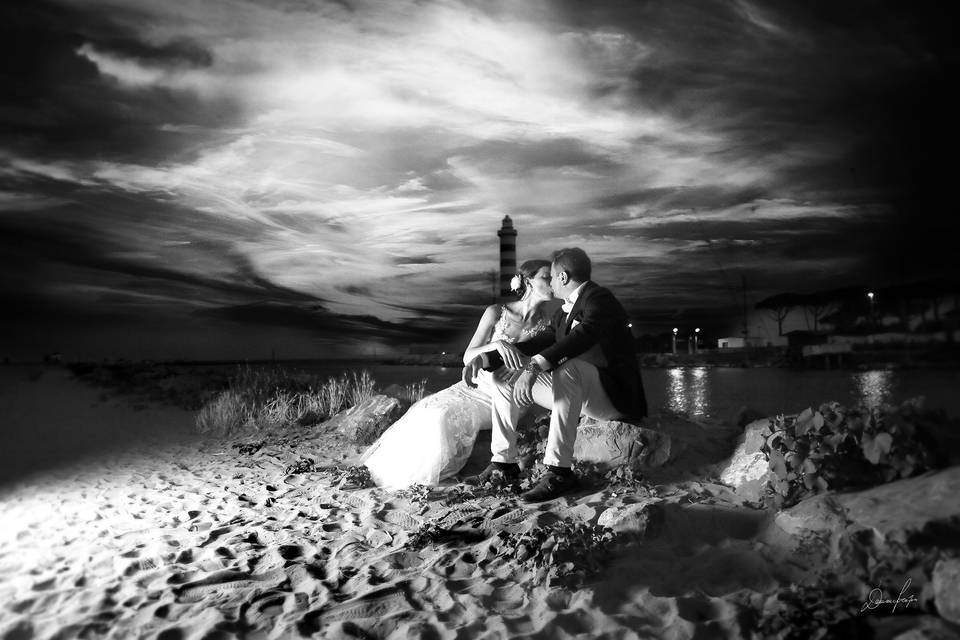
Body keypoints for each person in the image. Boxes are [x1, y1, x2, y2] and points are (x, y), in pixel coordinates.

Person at [463, 247, 647, 502]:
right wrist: (483, 359)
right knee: (503, 375)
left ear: (562, 277)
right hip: (579, 394)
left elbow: (584, 336)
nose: (550, 282)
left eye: (551, 276)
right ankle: (504, 463)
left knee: (566, 366)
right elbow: (534, 344)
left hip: (612, 397)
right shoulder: (563, 312)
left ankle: (559, 471)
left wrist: (533, 367)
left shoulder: (599, 299)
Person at [360, 259, 560, 490]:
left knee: (443, 419)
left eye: (553, 277)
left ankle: (499, 463)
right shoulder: (496, 312)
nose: (552, 282)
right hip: (474, 386)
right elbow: (468, 356)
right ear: (527, 281)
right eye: (546, 277)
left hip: (507, 390)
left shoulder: (547, 324)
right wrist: (499, 346)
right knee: (431, 410)